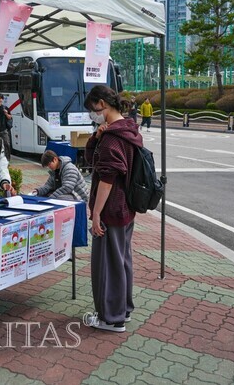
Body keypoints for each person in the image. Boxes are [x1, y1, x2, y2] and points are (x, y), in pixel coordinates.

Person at [84, 84, 143, 333]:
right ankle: (123, 310)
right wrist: (95, 137)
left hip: (111, 208)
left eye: (91, 110)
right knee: (122, 260)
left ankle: (112, 318)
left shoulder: (112, 139)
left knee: (108, 264)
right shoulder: (129, 129)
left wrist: (96, 214)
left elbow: (106, 180)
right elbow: (92, 161)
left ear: (101, 104)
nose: (91, 114)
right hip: (126, 208)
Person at [0, 94, 13, 159]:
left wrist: (6, 113)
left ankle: (7, 159)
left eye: (0, 98)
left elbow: (10, 117)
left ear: (2, 100)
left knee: (7, 144)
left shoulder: (5, 108)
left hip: (3, 130)